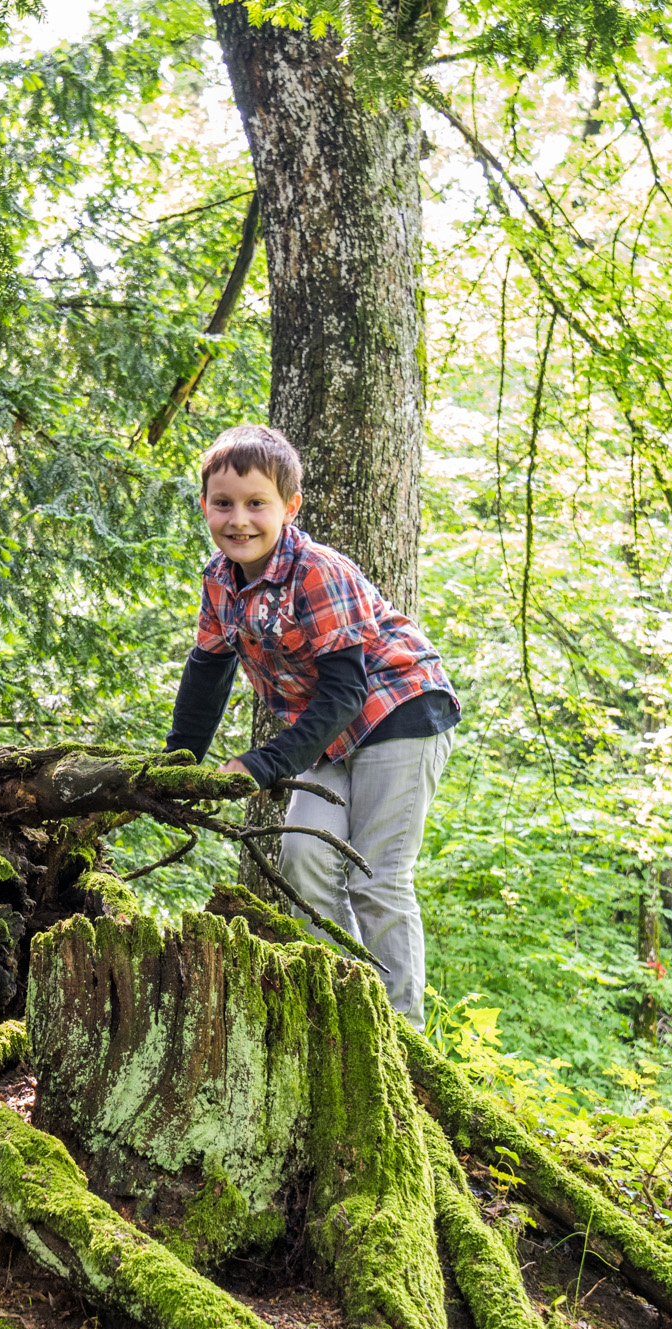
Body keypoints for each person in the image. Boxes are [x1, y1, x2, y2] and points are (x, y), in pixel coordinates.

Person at [162, 425, 459, 1022]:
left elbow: (346, 690)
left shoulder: (317, 571)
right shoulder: (220, 579)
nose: (238, 520)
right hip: (332, 730)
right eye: (224, 504)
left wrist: (262, 763)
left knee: (378, 874)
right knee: (302, 855)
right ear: (204, 506)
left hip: (399, 711)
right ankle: (347, 1013)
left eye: (256, 505)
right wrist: (177, 766)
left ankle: (405, 1035)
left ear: (288, 508)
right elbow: (207, 674)